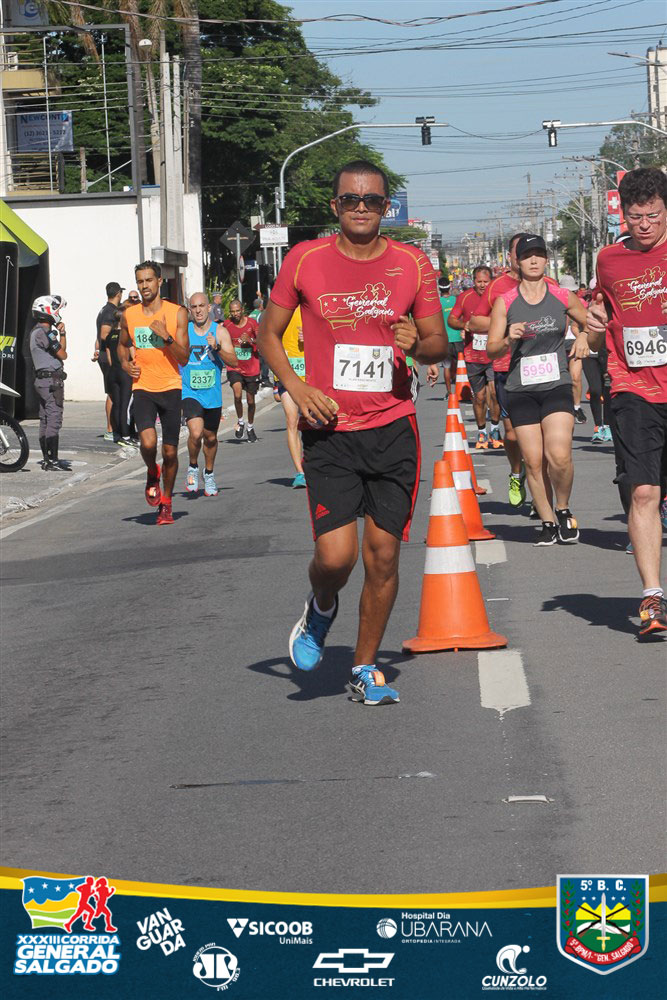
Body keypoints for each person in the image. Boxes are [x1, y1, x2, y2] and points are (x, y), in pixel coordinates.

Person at [258, 159, 449, 706]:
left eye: (372, 200)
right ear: (334, 205)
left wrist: (418, 344)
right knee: (336, 558)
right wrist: (297, 387)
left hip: (392, 427)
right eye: (350, 199)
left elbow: (439, 344)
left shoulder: (412, 264)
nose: (361, 208)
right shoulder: (305, 259)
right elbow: (267, 335)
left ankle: (364, 667)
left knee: (383, 556)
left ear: (387, 207)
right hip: (330, 429)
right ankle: (321, 606)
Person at [586, 167, 667, 637]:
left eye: (653, 215)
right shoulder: (609, 260)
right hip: (634, 387)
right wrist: (594, 326)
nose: (644, 225)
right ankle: (653, 597)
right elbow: (600, 320)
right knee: (642, 492)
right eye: (635, 217)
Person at [487, 234, 590, 545]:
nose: (533, 260)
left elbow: (591, 323)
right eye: (527, 255)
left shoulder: (562, 296)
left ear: (546, 259)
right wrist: (508, 338)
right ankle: (547, 521)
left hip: (556, 384)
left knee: (559, 454)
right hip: (521, 389)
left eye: (539, 254)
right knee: (533, 461)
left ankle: (563, 508)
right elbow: (492, 349)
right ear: (516, 262)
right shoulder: (505, 302)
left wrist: (583, 336)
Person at [469, 232, 560, 507]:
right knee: (512, 434)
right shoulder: (498, 287)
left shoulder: (551, 285)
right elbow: (475, 322)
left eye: (536, 254)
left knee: (544, 439)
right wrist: (506, 324)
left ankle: (542, 498)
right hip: (507, 368)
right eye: (521, 253)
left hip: (545, 370)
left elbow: (571, 317)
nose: (530, 258)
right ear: (512, 257)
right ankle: (516, 473)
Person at [117, 260, 189, 525]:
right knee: (147, 443)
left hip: (170, 387)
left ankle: (166, 503)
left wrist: (166, 337)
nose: (144, 285)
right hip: (143, 387)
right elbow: (122, 345)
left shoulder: (177, 313)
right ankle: (151, 470)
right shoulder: (130, 314)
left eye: (149, 280)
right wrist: (125, 364)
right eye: (140, 281)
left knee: (170, 452)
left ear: (159, 281)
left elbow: (184, 358)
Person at [181, 292, 237, 496]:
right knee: (196, 433)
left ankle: (209, 473)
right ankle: (193, 466)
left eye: (201, 306)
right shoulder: (184, 331)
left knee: (211, 438)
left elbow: (234, 361)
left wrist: (217, 348)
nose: (198, 311)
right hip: (190, 391)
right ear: (190, 310)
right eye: (194, 307)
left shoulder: (220, 331)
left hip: (212, 394)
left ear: (209, 308)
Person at [446, 264, 502, 448]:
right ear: (473, 281)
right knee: (479, 396)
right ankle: (482, 432)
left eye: (486, 281)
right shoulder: (465, 297)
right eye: (479, 281)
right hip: (473, 355)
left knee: (494, 393)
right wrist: (464, 325)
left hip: (494, 354)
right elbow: (451, 319)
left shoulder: (498, 297)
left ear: (491, 281)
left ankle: (495, 429)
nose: (483, 285)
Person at [29, 294, 70, 471]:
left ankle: (47, 459)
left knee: (45, 419)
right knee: (53, 418)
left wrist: (62, 333)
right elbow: (63, 355)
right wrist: (60, 335)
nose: (58, 313)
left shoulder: (38, 331)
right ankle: (52, 461)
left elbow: (60, 350)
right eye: (57, 310)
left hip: (43, 381)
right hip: (51, 381)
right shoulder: (44, 333)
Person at [275, 305, 307, 487]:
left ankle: (313, 463)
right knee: (291, 420)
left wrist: (310, 336)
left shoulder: (309, 306)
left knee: (313, 421)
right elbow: (269, 339)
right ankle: (300, 472)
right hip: (286, 374)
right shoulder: (278, 309)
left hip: (310, 372)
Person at [224, 299, 261, 442]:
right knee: (237, 394)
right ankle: (240, 422)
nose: (235, 314)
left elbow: (262, 341)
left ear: (242, 310)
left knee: (251, 401)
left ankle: (250, 427)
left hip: (251, 367)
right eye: (232, 311)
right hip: (234, 366)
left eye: (237, 311)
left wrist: (251, 340)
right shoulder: (227, 325)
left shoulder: (252, 323)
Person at [103, 299, 134, 446]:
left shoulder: (110, 335)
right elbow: (133, 355)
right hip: (124, 372)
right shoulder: (125, 335)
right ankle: (126, 436)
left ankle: (117, 433)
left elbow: (109, 358)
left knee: (117, 404)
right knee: (126, 405)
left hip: (112, 372)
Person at [95, 282, 123, 441]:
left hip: (105, 354)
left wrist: (96, 350)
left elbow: (98, 338)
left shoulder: (104, 310)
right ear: (118, 294)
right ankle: (110, 430)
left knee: (114, 392)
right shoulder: (110, 312)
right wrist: (118, 337)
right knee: (112, 393)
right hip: (108, 357)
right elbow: (104, 334)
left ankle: (114, 428)